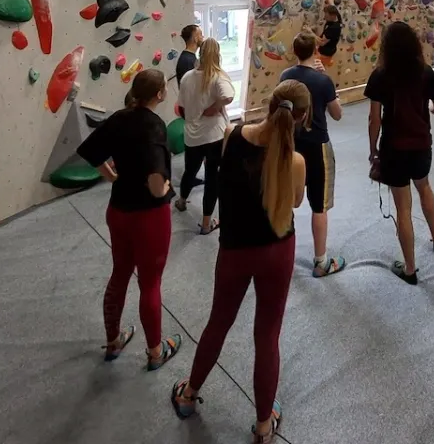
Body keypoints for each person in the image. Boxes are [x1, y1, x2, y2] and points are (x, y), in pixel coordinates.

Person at [171, 80, 309, 444]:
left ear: (269, 104)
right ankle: (264, 425)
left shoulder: (233, 136)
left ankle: (189, 394)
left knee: (218, 321)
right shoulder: (294, 161)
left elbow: (225, 178)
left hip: (234, 250)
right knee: (268, 334)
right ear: (302, 119)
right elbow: (295, 203)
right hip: (277, 251)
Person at [76, 69, 181, 369]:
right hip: (149, 216)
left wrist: (112, 177)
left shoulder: (120, 118)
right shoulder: (156, 126)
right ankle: (156, 352)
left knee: (120, 273)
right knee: (150, 283)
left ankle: (113, 341)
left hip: (119, 210)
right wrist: (168, 187)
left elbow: (92, 151)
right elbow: (156, 184)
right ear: (160, 94)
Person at [366, 21, 434, 284]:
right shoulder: (425, 72)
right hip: (420, 147)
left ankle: (410, 269)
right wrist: (425, 110)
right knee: (424, 188)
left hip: (393, 149)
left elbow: (374, 120)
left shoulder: (380, 75)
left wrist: (373, 151)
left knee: (403, 210)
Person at [279, 31, 346, 277]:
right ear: (315, 52)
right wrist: (327, 83)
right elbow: (337, 114)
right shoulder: (323, 81)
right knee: (319, 206)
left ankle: (280, 254)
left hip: (291, 145)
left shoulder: (285, 76)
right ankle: (321, 262)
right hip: (317, 146)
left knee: (286, 199)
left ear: (295, 51)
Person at [176, 38, 235, 233]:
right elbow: (229, 96)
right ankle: (207, 224)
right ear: (218, 54)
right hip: (214, 136)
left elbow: (181, 108)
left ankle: (182, 201)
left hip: (192, 136)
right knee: (212, 178)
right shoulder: (218, 76)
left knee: (190, 171)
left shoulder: (187, 77)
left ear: (200, 53)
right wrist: (216, 106)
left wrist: (195, 117)